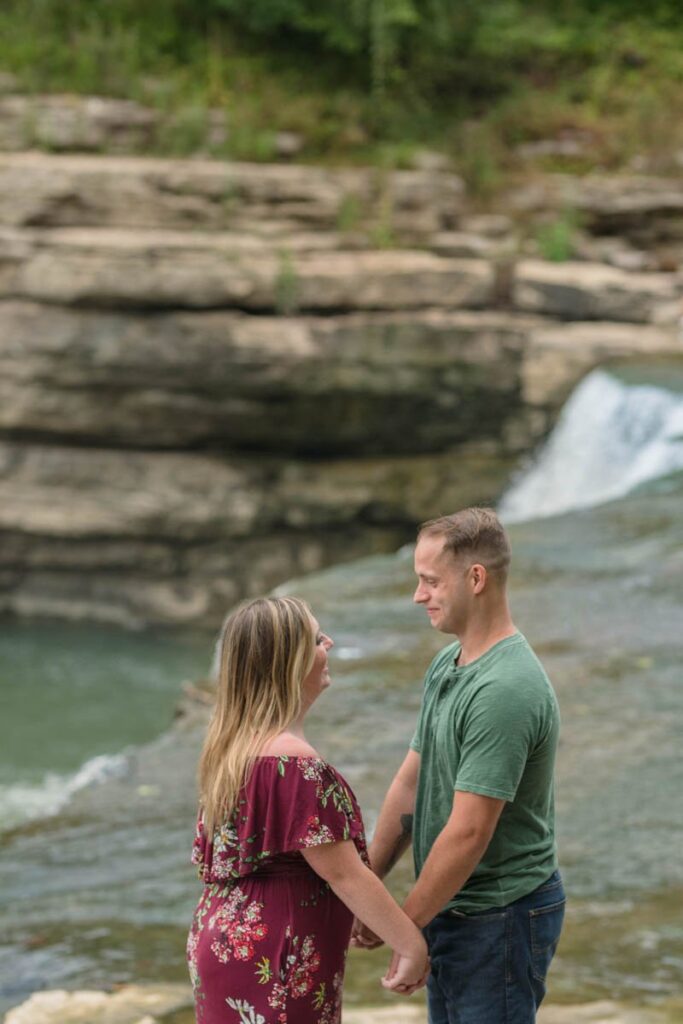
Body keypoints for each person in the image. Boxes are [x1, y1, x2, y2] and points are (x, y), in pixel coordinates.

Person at [353, 507, 564, 1022]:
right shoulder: (448, 666)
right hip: (456, 907)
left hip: (501, 918)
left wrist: (405, 930)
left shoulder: (505, 689)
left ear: (476, 578)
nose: (418, 596)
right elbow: (410, 784)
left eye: (430, 581)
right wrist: (370, 889)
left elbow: (470, 831)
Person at [186, 595, 429, 1024]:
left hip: (222, 938)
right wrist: (410, 944)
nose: (330, 644)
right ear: (290, 662)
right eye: (317, 639)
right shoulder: (295, 766)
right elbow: (343, 872)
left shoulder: (230, 752)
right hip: (275, 953)